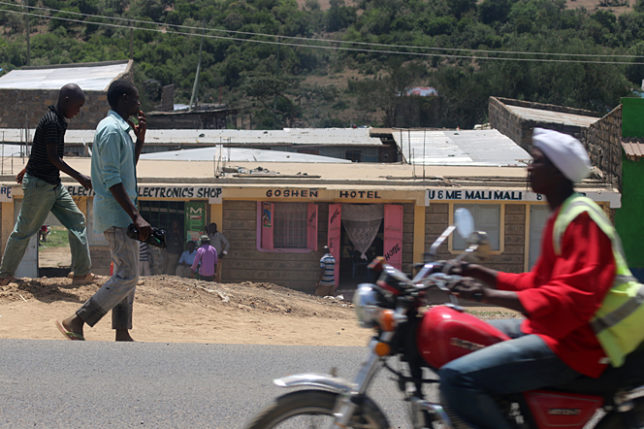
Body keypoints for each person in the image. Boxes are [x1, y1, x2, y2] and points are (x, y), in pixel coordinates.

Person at [440, 128, 644, 429]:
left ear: (559, 173)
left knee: (457, 378)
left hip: (584, 343)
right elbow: (541, 283)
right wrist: (480, 274)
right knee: (471, 334)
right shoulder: (563, 215)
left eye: (537, 161)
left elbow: (571, 297)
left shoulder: (581, 218)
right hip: (562, 332)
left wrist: (487, 296)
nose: (528, 167)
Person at [56, 79, 151, 342]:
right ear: (122, 99)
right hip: (117, 213)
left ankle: (122, 330)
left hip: (123, 213)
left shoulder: (121, 131)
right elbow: (111, 179)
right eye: (135, 98)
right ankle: (77, 320)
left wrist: (139, 141)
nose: (139, 104)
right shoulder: (110, 131)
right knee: (128, 274)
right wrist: (136, 216)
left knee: (126, 273)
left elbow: (127, 168)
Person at [0, 83, 94, 286]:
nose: (78, 112)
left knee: (77, 220)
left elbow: (39, 146)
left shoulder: (59, 120)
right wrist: (80, 177)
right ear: (66, 101)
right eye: (77, 107)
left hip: (53, 185)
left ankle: (81, 273)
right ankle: (4, 275)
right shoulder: (52, 122)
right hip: (40, 185)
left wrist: (27, 166)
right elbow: (53, 157)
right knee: (24, 231)